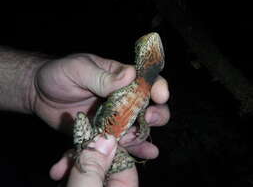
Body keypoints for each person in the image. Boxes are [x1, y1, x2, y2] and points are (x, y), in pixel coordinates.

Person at [0, 50, 170, 187]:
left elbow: (141, 114)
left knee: (125, 163)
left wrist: (144, 127)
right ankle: (83, 151)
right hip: (100, 131)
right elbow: (110, 101)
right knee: (81, 119)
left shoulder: (146, 95)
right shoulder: (131, 82)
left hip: (111, 139)